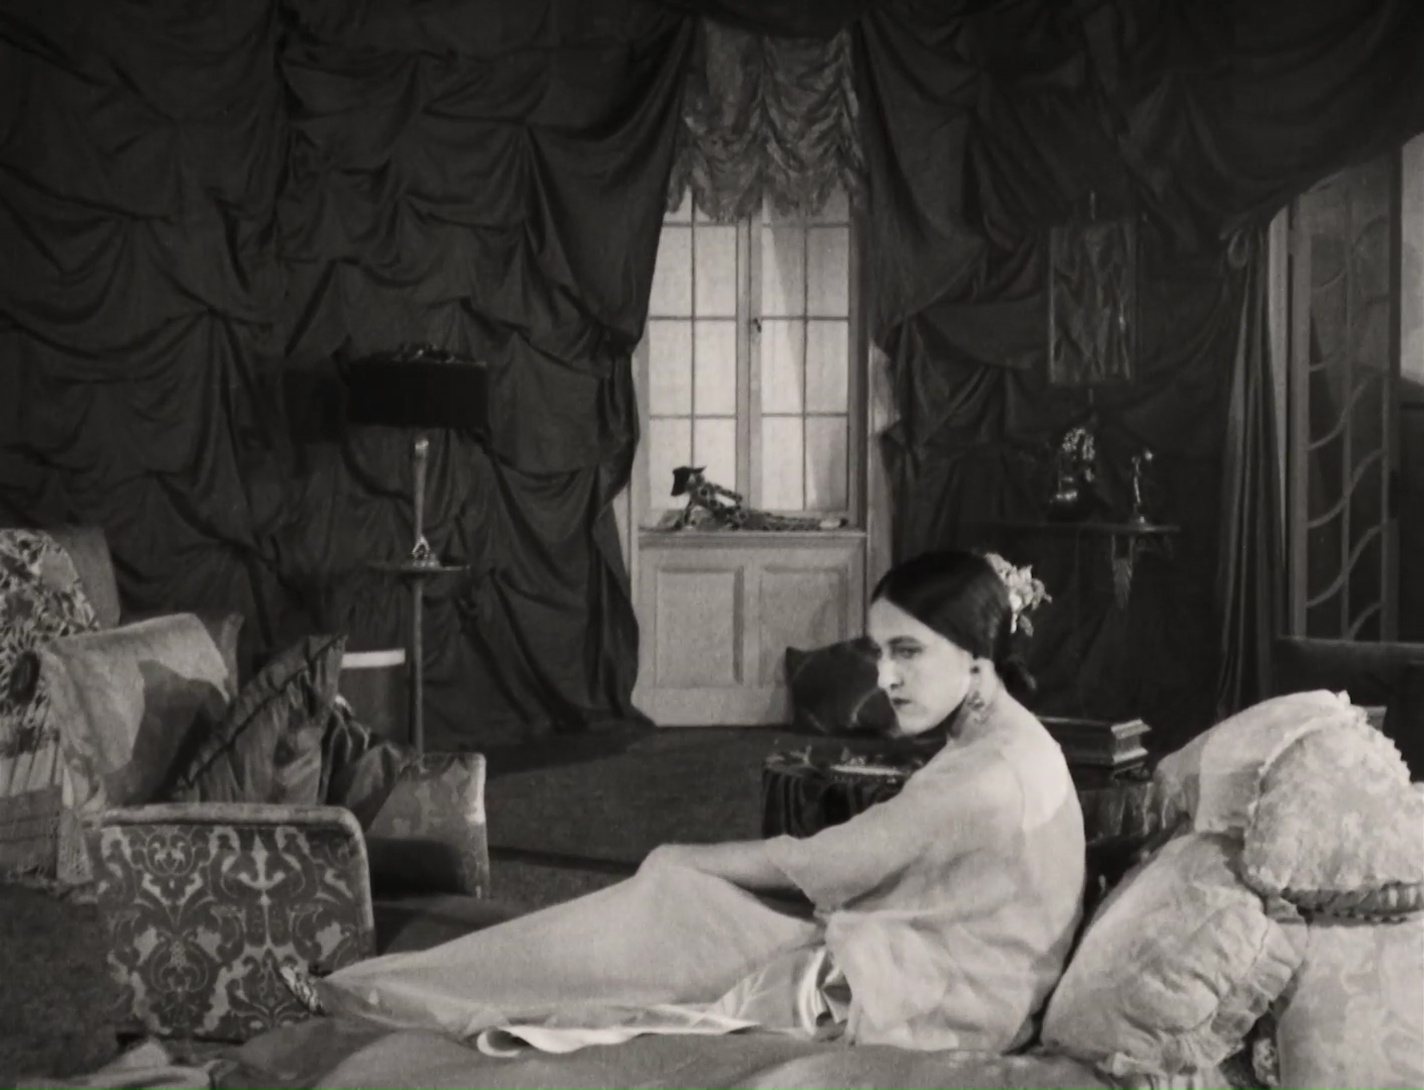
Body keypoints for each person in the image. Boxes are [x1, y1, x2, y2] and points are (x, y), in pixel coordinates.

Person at [304, 549, 1086, 1056]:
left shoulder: (986, 775)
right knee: (673, 911)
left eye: (907, 653)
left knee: (674, 899)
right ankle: (409, 987)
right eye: (880, 653)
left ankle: (392, 994)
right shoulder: (1008, 739)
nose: (885, 678)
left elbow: (830, 862)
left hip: (934, 1003)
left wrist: (685, 856)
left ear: (977, 661)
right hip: (937, 972)